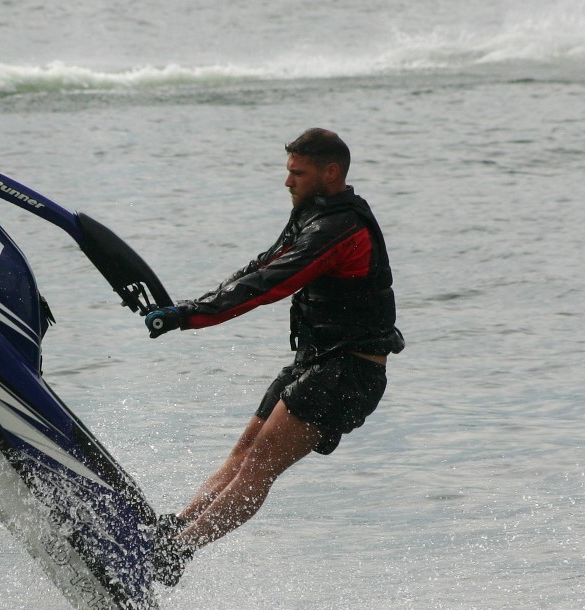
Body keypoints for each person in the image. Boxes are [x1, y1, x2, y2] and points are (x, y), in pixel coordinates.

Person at [145, 128, 404, 586]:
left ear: (331, 172)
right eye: (288, 173)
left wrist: (190, 318)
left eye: (297, 174)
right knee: (244, 453)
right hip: (317, 362)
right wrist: (190, 305)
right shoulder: (313, 214)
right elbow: (262, 265)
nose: (288, 183)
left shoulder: (342, 229)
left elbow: (275, 282)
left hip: (350, 371)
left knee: (258, 467)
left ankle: (175, 555)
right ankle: (169, 529)